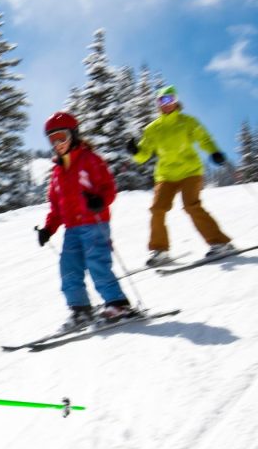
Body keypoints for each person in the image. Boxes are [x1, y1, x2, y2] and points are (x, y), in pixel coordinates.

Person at [37, 112, 132, 332]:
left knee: (97, 262)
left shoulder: (90, 159)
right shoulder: (57, 172)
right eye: (52, 140)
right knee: (68, 268)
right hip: (72, 229)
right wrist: (48, 229)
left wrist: (100, 200)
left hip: (94, 223)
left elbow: (109, 188)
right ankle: (81, 310)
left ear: (74, 134)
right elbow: (56, 208)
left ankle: (118, 304)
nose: (57, 144)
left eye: (62, 137)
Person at [127, 85, 233, 267]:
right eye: (162, 100)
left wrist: (214, 152)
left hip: (190, 171)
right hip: (166, 175)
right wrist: (135, 151)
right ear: (158, 104)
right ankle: (160, 250)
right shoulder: (153, 128)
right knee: (157, 209)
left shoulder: (187, 122)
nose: (166, 104)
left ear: (176, 101)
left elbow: (204, 139)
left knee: (191, 205)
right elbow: (144, 154)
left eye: (169, 99)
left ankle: (220, 242)